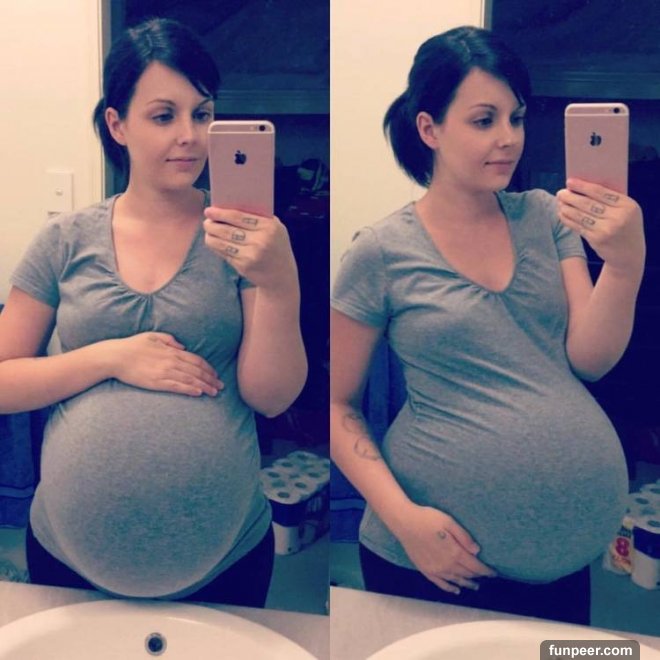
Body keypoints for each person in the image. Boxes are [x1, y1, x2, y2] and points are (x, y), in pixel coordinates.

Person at [330, 25, 645, 624]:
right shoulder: (381, 251)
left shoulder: (546, 217)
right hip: (432, 561)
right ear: (430, 129)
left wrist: (626, 264)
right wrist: (405, 520)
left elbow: (589, 358)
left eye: (516, 118)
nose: (509, 139)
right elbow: (335, 403)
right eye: (484, 120)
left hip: (560, 569)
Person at [0, 17, 307, 607]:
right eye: (164, 116)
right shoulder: (64, 241)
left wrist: (280, 283)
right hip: (67, 557)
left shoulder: (245, 239)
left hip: (228, 559)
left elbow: (271, 397)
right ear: (118, 124)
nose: (190, 135)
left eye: (202, 113)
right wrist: (111, 358)